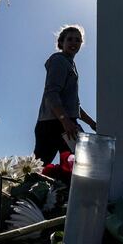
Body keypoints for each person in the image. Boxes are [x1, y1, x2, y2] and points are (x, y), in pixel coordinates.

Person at [33, 25, 96, 165]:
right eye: (70, 39)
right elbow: (52, 93)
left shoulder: (70, 65)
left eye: (77, 40)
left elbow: (75, 105)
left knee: (77, 166)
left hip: (67, 123)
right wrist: (65, 121)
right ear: (61, 43)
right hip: (52, 124)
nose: (74, 43)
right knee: (38, 169)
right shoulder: (58, 60)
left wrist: (93, 124)